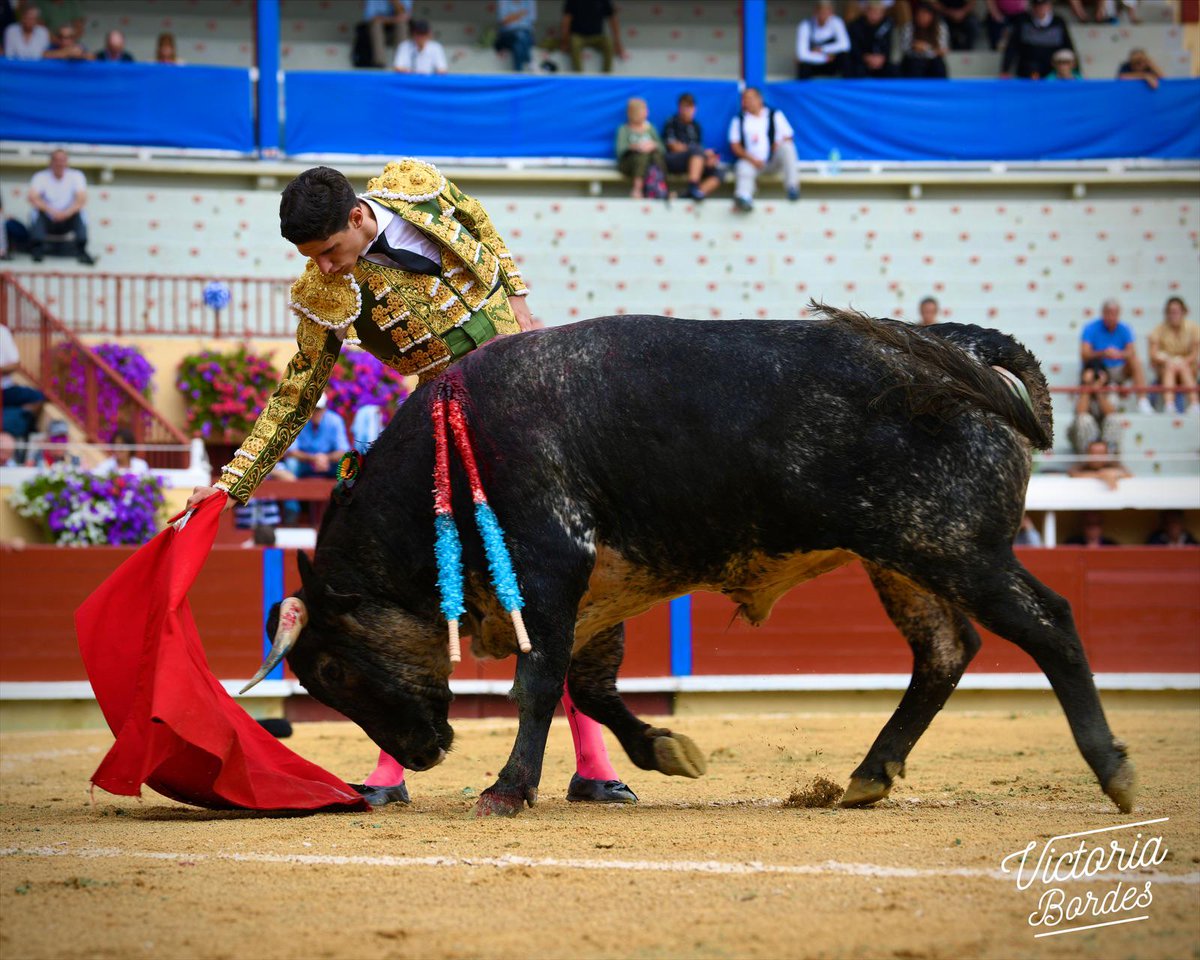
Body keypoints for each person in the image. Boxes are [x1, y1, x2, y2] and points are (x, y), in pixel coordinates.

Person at [183, 160, 633, 806]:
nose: (327, 269)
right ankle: (391, 771)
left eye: (332, 251)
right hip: (446, 427)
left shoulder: (413, 183)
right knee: (404, 599)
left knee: (561, 584)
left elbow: (479, 222)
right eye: (315, 259)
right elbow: (296, 394)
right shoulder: (323, 293)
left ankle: (593, 763)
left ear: (360, 217)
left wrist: (521, 299)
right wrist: (231, 485)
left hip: (532, 404)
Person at [728, 87, 800, 212]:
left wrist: (778, 144)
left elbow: (788, 136)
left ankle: (792, 187)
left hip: (772, 161)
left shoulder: (774, 114)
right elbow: (735, 145)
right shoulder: (739, 119)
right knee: (742, 165)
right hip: (751, 162)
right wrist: (752, 159)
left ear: (759, 99)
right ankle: (744, 197)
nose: (746, 102)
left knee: (788, 148)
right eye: (744, 99)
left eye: (749, 98)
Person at [1080, 298, 1152, 414]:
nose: (1111, 317)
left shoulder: (1125, 328)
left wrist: (1118, 354)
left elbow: (1131, 353)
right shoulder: (1091, 328)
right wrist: (1103, 353)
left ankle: (1142, 400)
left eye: (1113, 314)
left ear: (1118, 314)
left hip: (1118, 370)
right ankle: (1096, 396)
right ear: (1102, 314)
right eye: (1108, 313)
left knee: (1135, 361)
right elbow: (1084, 354)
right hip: (1100, 370)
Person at [28, 149, 95, 265]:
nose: (59, 163)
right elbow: (33, 198)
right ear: (51, 162)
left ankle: (82, 250)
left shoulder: (76, 176)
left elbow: (81, 199)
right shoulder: (40, 176)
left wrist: (66, 213)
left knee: (81, 213)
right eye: (56, 160)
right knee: (36, 212)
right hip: (48, 217)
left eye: (62, 160)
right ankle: (37, 249)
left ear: (67, 162)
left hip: (68, 217)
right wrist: (52, 212)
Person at [661, 93, 722, 202]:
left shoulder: (696, 126)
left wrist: (707, 158)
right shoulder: (671, 122)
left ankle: (694, 193)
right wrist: (701, 153)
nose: (687, 110)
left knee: (718, 172)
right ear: (679, 108)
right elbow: (674, 147)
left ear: (695, 109)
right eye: (684, 107)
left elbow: (697, 151)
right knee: (697, 151)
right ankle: (692, 186)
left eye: (690, 107)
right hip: (673, 160)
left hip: (694, 160)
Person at [1147, 296, 1199, 414]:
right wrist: (1168, 360)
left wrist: (1181, 361)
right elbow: (1153, 354)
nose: (1173, 315)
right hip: (1166, 370)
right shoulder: (1159, 329)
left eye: (1176, 312)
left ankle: (1193, 404)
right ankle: (1170, 405)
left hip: (1188, 369)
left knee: (1181, 366)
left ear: (1184, 312)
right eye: (1170, 312)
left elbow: (1194, 354)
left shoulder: (1194, 328)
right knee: (1171, 366)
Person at [1001, 0, 1076, 79]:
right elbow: (1012, 46)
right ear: (1032, 7)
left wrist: (1074, 70)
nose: (1040, 8)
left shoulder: (1059, 22)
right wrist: (1005, 69)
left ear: (1049, 6)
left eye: (1044, 5)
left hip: (1052, 72)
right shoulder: (1022, 21)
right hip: (1027, 71)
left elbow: (1068, 47)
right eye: (1037, 5)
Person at [284, 393, 348, 479]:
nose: (315, 412)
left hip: (329, 464)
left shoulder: (335, 421)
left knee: (345, 463)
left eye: (318, 409)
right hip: (305, 463)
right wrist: (314, 459)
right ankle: (291, 491)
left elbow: (343, 450)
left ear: (325, 408)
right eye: (312, 409)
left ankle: (343, 491)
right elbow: (291, 452)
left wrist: (326, 458)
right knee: (292, 463)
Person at [0, 322, 45, 441]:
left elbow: (15, 364)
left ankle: (18, 419)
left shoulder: (2, 331)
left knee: (37, 397)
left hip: (5, 390)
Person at [1067, 359, 1122, 455]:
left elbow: (1110, 412)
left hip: (1103, 432)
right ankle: (1087, 457)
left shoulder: (1111, 388)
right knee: (1084, 419)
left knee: (1114, 418)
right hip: (1080, 435)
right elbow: (1080, 412)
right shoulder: (1079, 389)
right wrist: (1087, 387)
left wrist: (1099, 391)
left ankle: (1109, 456)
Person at [615, 97, 667, 200]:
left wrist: (653, 145)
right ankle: (637, 189)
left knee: (655, 155)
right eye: (643, 110)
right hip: (630, 162)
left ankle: (661, 187)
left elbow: (663, 148)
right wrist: (635, 147)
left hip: (651, 162)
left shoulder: (650, 128)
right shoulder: (624, 129)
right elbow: (620, 150)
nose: (646, 113)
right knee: (642, 156)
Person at [561, 0, 623, 74]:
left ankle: (606, 76)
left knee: (608, 43)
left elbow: (612, 20)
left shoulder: (604, 1)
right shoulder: (573, 1)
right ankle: (579, 76)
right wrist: (565, 41)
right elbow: (567, 20)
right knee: (574, 43)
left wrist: (618, 43)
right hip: (578, 36)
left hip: (597, 36)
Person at [796, 0, 851, 79]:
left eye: (827, 12)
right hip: (814, 62)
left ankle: (846, 87)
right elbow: (802, 54)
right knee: (802, 64)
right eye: (821, 12)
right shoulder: (805, 25)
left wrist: (823, 49)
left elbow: (845, 45)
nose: (823, 16)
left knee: (845, 58)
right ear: (815, 12)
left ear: (831, 13)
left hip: (832, 62)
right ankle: (803, 89)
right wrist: (824, 58)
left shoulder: (836, 22)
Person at [899, 2, 949, 78]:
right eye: (919, 15)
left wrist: (925, 47)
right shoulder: (909, 27)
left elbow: (942, 49)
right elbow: (905, 48)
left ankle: (940, 88)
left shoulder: (940, 27)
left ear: (932, 16)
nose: (922, 18)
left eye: (925, 15)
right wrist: (914, 47)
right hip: (914, 59)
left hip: (933, 61)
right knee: (915, 64)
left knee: (938, 65)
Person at [847, 0, 896, 79]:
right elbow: (854, 47)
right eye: (872, 11)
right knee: (855, 69)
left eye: (877, 12)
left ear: (882, 13)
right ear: (866, 11)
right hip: (861, 61)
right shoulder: (856, 26)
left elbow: (890, 45)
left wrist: (882, 58)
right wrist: (866, 57)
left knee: (893, 70)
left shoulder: (888, 24)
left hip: (882, 61)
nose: (874, 15)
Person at [360, 0, 410, 69]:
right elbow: (370, 17)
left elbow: (405, 16)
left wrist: (395, 2)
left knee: (402, 26)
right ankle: (380, 63)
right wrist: (393, 19)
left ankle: (401, 63)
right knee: (376, 25)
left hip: (394, 24)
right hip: (378, 25)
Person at [495, 0, 536, 73]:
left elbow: (531, 21)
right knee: (521, 36)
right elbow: (503, 21)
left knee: (518, 44)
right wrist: (520, 14)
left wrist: (512, 17)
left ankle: (518, 73)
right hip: (507, 35)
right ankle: (529, 60)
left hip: (525, 34)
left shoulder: (529, 1)